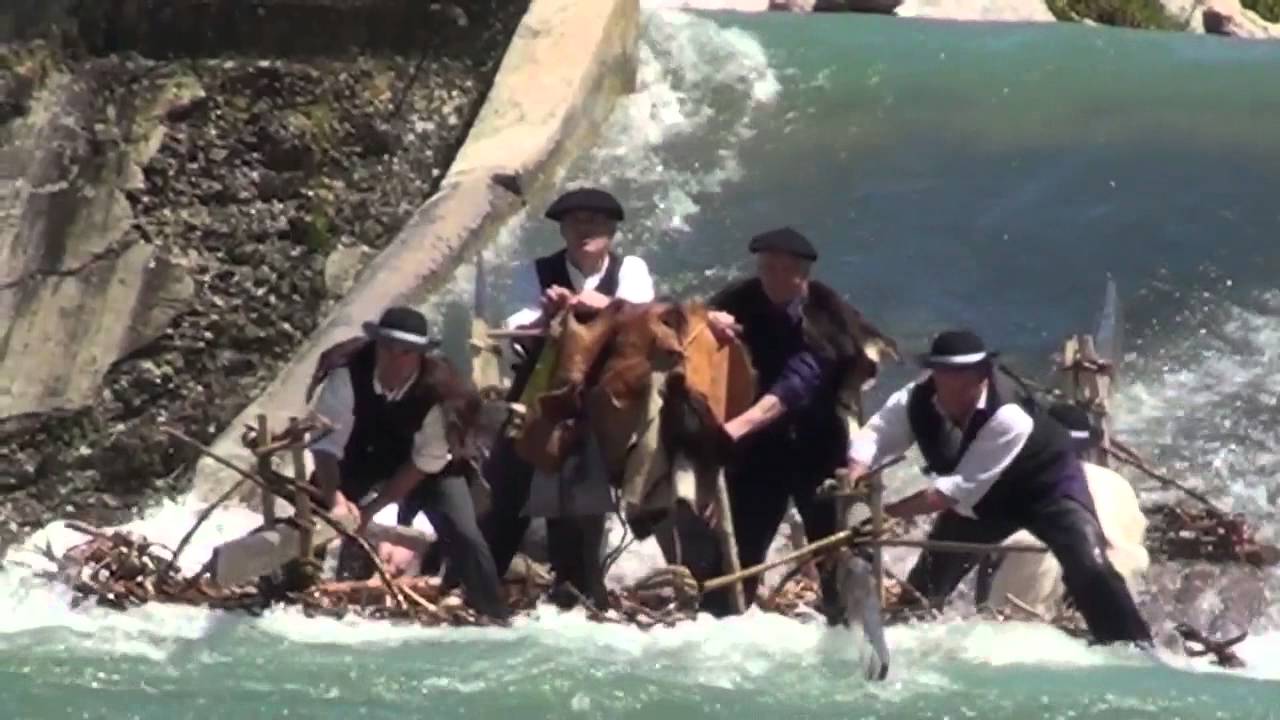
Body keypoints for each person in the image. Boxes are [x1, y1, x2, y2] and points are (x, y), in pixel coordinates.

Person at [845, 329, 1153, 645]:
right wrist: (857, 467)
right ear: (933, 375)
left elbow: (948, 493)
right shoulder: (916, 398)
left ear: (982, 377)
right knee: (932, 575)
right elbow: (879, 434)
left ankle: (1130, 645)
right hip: (985, 498)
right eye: (944, 383)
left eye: (963, 387)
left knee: (1091, 566)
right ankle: (906, 634)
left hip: (1046, 491)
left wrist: (885, 514)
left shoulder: (1009, 415)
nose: (952, 398)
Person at [480, 186, 655, 606]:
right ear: (563, 231)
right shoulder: (538, 271)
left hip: (602, 404)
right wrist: (548, 312)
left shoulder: (630, 268)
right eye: (576, 222)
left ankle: (579, 594)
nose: (585, 230)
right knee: (508, 491)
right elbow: (517, 329)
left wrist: (595, 304)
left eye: (595, 223)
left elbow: (640, 315)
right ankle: (481, 588)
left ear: (611, 230)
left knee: (581, 510)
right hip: (542, 396)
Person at [697, 226, 881, 621]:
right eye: (767, 268)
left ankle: (843, 621)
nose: (775, 278)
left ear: (804, 274)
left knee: (830, 544)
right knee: (741, 548)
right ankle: (721, 622)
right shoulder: (738, 301)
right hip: (758, 453)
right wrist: (706, 322)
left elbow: (797, 383)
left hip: (816, 446)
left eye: (786, 270)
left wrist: (736, 428)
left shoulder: (827, 316)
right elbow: (684, 322)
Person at [308, 306, 509, 620]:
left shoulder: (440, 391)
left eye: (406, 352)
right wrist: (335, 499)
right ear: (376, 346)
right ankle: (296, 593)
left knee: (465, 532)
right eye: (387, 348)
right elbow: (325, 445)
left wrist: (372, 510)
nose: (394, 359)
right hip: (358, 456)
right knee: (309, 517)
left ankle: (492, 613)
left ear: (420, 356)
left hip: (427, 469)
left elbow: (424, 460)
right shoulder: (347, 374)